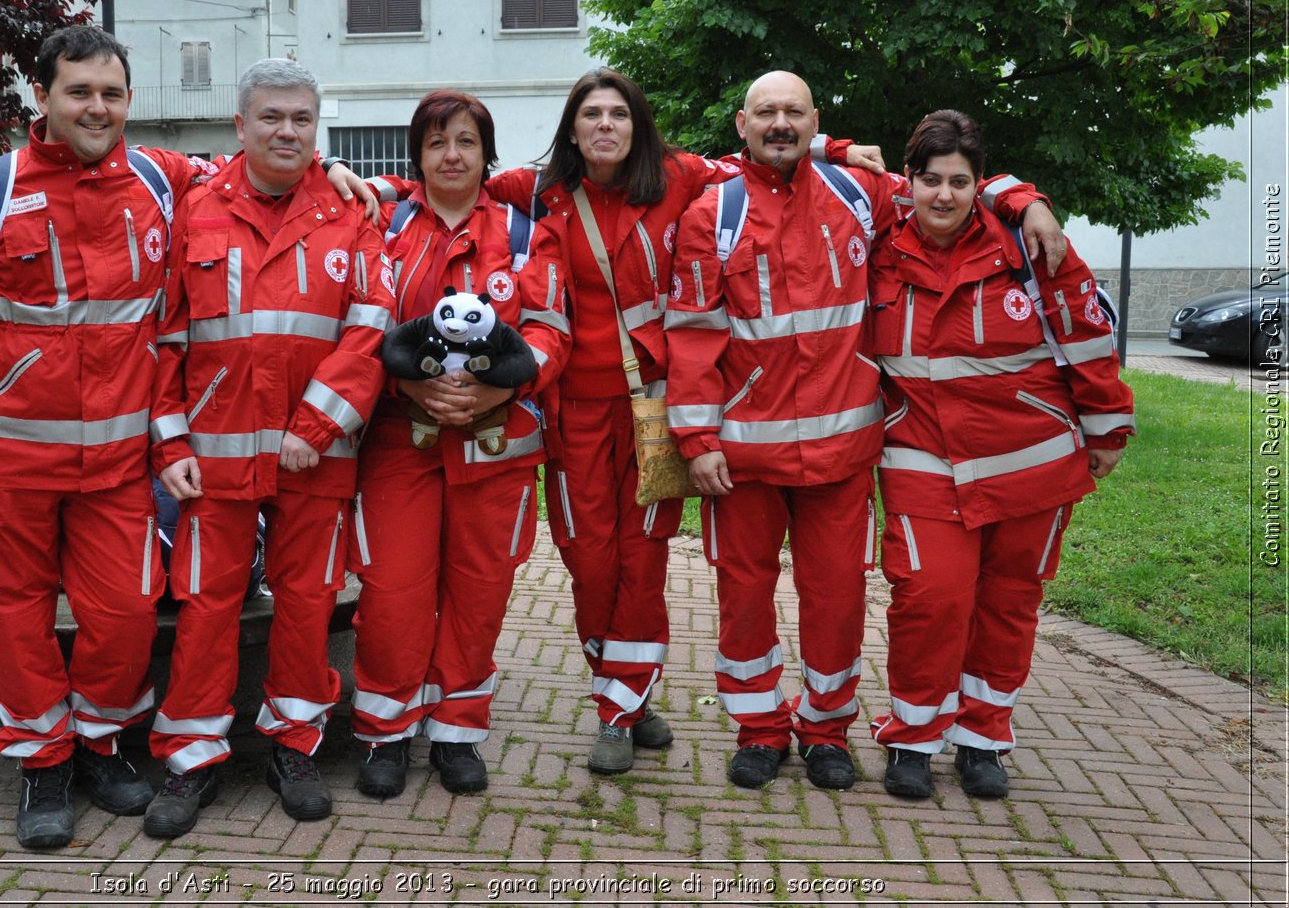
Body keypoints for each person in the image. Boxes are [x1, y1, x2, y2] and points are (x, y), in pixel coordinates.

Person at [371, 68, 882, 776]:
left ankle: (618, 709)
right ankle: (625, 693)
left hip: (654, 408)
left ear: (637, 124)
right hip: (571, 410)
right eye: (592, 115)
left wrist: (837, 147)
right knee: (589, 563)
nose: (605, 125)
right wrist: (355, 179)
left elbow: (767, 155)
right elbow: (451, 189)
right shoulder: (540, 190)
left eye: (618, 113)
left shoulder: (680, 178)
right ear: (573, 128)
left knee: (641, 562)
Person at [664, 71, 1065, 793]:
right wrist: (698, 441)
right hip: (743, 458)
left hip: (843, 454)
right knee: (744, 598)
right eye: (766, 112)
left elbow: (949, 187)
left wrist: (1024, 197)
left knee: (837, 600)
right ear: (740, 123)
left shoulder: (861, 195)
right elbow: (692, 338)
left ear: (816, 121)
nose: (779, 122)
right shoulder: (711, 213)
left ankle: (825, 730)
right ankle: (759, 727)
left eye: (793, 111)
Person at [0, 25, 196, 848]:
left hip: (119, 464)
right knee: (16, 617)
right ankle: (43, 764)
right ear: (43, 96)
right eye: (79, 91)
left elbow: (254, 178)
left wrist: (342, 174)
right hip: (7, 462)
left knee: (129, 611)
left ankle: (99, 740)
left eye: (111, 93)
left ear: (130, 101)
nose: (97, 107)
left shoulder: (161, 182)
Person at [148, 58, 393, 833]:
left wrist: (314, 426)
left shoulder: (354, 213)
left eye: (302, 120)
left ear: (317, 130)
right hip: (214, 457)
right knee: (205, 605)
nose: (287, 131)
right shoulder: (197, 208)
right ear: (240, 124)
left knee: (306, 604)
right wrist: (170, 443)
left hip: (314, 457)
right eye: (272, 117)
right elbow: (167, 337)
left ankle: (296, 744)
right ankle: (190, 758)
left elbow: (370, 329)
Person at [868, 110, 1133, 799]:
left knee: (1009, 603)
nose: (944, 196)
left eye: (960, 181)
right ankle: (915, 737)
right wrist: (1023, 190)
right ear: (909, 182)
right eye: (930, 180)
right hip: (923, 454)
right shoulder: (878, 241)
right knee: (930, 597)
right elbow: (816, 154)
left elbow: (1086, 339)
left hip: (1031, 460)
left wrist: (1106, 431)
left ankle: (983, 738)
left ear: (980, 183)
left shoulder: (1029, 245)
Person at [348, 91, 570, 798]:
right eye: (438, 141)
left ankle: (456, 732)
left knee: (479, 592)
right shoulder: (381, 224)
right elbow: (361, 327)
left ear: (486, 154)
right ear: (416, 153)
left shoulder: (527, 232)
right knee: (392, 592)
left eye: (467, 141)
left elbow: (550, 328)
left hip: (496, 445)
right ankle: (386, 731)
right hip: (398, 442)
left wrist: (500, 390)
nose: (452, 154)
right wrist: (410, 388)